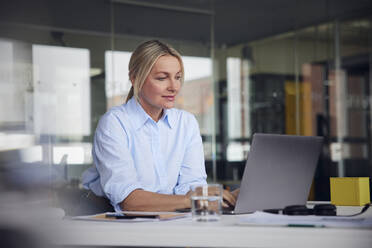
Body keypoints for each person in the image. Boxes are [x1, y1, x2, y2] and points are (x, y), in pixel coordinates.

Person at [82, 40, 238, 213]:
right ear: (135, 78)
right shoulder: (115, 123)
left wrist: (220, 199)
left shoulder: (186, 123)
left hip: (173, 220)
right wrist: (195, 198)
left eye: (178, 77)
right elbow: (130, 201)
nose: (174, 87)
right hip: (120, 224)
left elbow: (192, 185)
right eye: (162, 78)